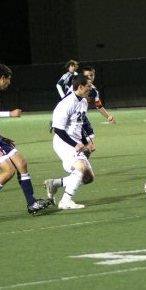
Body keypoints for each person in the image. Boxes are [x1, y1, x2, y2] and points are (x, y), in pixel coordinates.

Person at [0, 64, 53, 219]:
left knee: (21, 163)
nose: (9, 83)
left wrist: (1, 136)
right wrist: (10, 114)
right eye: (8, 79)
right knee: (9, 171)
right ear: (2, 78)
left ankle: (31, 203)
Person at [44, 74, 95, 210]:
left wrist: (87, 141)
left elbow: (80, 124)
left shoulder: (83, 101)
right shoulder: (66, 103)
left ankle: (54, 183)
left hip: (75, 141)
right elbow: (58, 130)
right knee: (81, 168)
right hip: (63, 142)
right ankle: (65, 201)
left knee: (88, 177)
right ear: (80, 87)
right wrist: (75, 144)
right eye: (88, 86)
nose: (91, 88)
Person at [80, 65, 116, 142]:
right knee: (86, 143)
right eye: (86, 75)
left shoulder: (94, 91)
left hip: (82, 117)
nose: (89, 77)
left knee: (90, 140)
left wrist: (108, 116)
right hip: (73, 117)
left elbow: (99, 106)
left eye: (91, 75)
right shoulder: (77, 87)